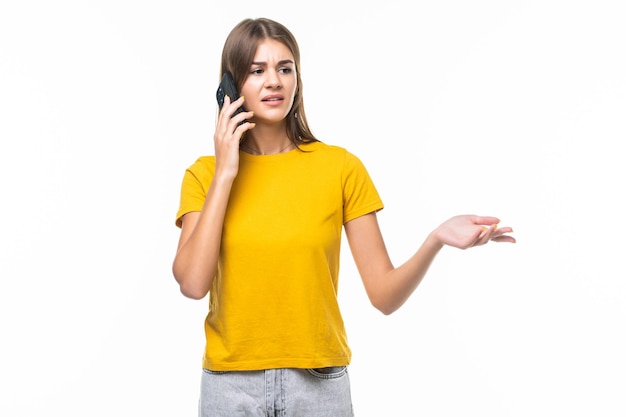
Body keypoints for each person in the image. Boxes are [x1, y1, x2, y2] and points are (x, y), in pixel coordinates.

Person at [172, 17, 515, 417]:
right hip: (231, 389)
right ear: (230, 86)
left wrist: (435, 238)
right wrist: (227, 171)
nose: (274, 81)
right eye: (256, 70)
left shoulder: (340, 168)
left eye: (285, 68)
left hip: (318, 386)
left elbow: (384, 296)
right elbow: (193, 283)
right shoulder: (204, 175)